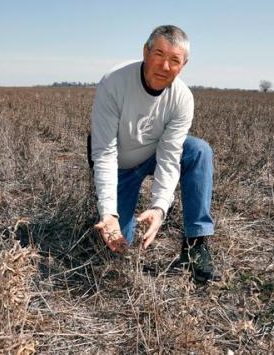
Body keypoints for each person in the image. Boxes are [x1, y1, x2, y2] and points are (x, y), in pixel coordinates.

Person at [89, 25, 218, 282]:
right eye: (159, 54)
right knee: (115, 250)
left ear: (184, 64)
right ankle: (111, 215)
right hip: (119, 165)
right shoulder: (114, 82)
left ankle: (196, 245)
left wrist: (160, 208)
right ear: (145, 52)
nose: (165, 66)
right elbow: (103, 153)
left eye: (175, 60)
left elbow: (170, 156)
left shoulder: (182, 98)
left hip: (153, 155)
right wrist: (108, 213)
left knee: (198, 150)